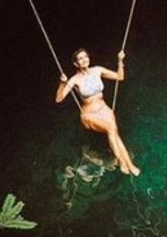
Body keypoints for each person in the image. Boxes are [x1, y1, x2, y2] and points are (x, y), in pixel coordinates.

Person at [55, 48, 140, 176]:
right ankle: (122, 162)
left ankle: (130, 164)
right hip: (89, 115)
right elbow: (59, 99)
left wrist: (120, 61)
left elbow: (119, 77)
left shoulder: (97, 70)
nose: (84, 60)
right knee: (111, 129)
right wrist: (62, 83)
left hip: (104, 109)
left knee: (115, 134)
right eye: (80, 58)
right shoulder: (74, 80)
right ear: (76, 64)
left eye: (85, 57)